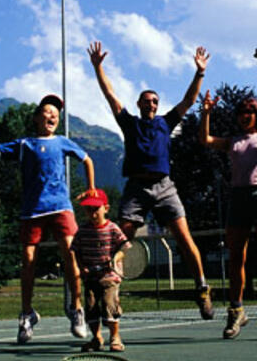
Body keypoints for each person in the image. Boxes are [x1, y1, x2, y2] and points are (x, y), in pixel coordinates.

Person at [0, 94, 95, 344]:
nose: (52, 115)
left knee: (71, 256)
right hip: (32, 211)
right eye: (47, 111)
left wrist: (91, 188)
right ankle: (27, 314)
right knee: (28, 263)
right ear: (36, 117)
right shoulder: (25, 144)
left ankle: (77, 310)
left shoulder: (63, 142)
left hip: (61, 208)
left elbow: (87, 160)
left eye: (56, 113)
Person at [87, 41, 214, 320]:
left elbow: (189, 100)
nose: (151, 104)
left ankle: (202, 288)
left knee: (184, 237)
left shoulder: (165, 123)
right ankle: (109, 292)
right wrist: (98, 67)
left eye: (155, 100)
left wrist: (200, 73)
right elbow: (110, 94)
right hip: (136, 188)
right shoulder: (129, 123)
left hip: (165, 187)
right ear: (139, 104)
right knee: (121, 239)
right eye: (147, 101)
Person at [198, 78, 257, 340]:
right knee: (236, 257)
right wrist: (206, 113)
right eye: (240, 113)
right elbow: (205, 139)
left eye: (249, 113)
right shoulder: (232, 141)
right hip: (238, 197)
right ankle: (236, 311)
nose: (244, 117)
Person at [70, 189, 131, 353]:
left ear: (106, 208)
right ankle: (97, 338)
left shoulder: (113, 228)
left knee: (108, 304)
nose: (92, 213)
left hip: (110, 277)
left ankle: (115, 337)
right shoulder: (82, 231)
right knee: (90, 308)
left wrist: (116, 258)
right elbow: (75, 250)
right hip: (90, 277)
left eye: (96, 209)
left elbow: (124, 248)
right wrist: (81, 266)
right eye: (89, 209)